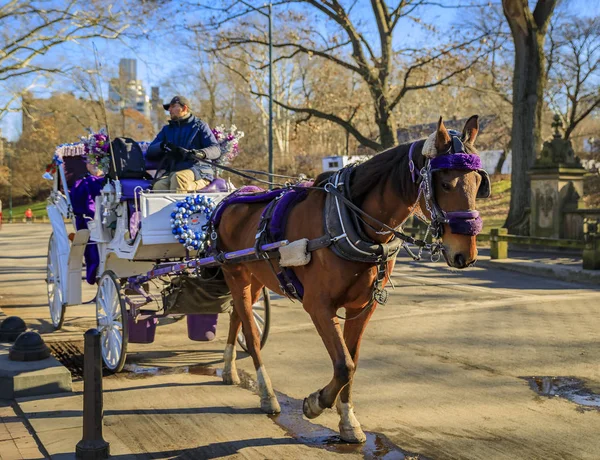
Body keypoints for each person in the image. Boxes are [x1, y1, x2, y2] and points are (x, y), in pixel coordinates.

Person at [147, 95, 220, 193]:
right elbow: (150, 151)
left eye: (173, 106)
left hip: (199, 171)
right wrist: (162, 146)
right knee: (159, 186)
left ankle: (178, 208)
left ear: (184, 108)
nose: (169, 110)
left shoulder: (200, 126)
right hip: (174, 172)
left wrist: (200, 153)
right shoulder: (167, 130)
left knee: (179, 178)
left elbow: (216, 149)